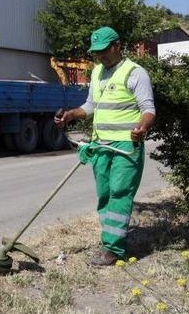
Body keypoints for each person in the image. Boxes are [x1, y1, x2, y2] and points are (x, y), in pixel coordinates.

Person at [54, 26, 155, 266]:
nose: (100, 56)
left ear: (117, 46)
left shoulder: (135, 73)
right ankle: (111, 240)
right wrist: (71, 115)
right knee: (105, 195)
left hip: (126, 147)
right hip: (100, 145)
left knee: (120, 194)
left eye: (104, 51)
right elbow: (91, 106)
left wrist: (142, 127)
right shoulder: (97, 72)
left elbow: (148, 109)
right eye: (96, 52)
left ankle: (114, 250)